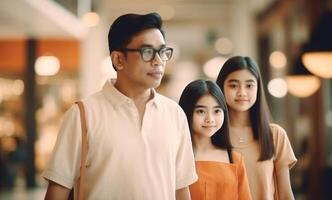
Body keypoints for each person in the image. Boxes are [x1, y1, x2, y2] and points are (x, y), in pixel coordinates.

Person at [43, 12, 197, 200]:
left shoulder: (175, 115)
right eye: (147, 52)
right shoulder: (83, 115)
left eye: (163, 52)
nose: (158, 61)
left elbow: (181, 188)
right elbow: (57, 192)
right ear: (118, 60)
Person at [216, 56, 297, 200]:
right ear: (221, 87)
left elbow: (285, 194)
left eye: (249, 85)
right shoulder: (212, 134)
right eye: (233, 85)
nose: (242, 92)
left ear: (258, 88)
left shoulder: (275, 135)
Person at [178, 80, 252, 200]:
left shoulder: (235, 159)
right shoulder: (176, 157)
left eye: (217, 111)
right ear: (187, 112)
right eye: (201, 111)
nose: (210, 119)